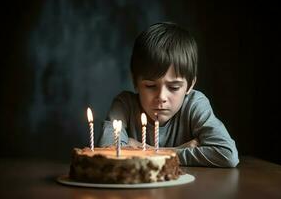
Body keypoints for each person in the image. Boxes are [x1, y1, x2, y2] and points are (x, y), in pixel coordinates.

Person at [97, 22, 239, 167]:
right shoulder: (124, 105)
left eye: (174, 87)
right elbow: (106, 152)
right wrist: (178, 150)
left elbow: (227, 154)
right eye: (150, 86)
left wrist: (146, 150)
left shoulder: (195, 104)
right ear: (135, 82)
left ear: (190, 85)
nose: (162, 97)